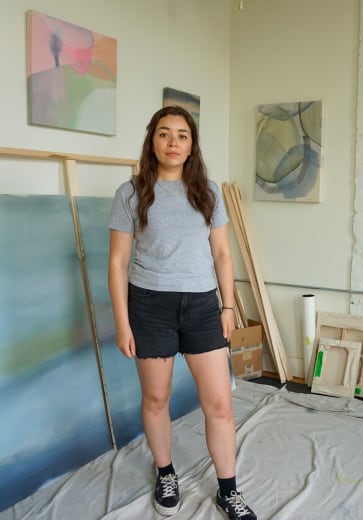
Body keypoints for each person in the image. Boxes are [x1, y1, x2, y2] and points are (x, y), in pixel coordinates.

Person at [108, 105, 257, 520]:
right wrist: (122, 323)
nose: (173, 142)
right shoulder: (131, 192)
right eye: (164, 134)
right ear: (152, 141)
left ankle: (228, 490)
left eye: (182, 135)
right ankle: (165, 472)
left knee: (220, 403)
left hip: (202, 307)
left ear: (192, 145)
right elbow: (118, 262)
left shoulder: (207, 191)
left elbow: (223, 253)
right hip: (149, 306)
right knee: (156, 398)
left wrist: (228, 307)